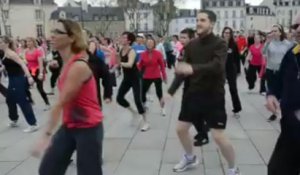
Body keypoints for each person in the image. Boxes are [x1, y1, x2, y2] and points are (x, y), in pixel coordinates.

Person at [167, 10, 240, 175]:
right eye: (197, 20)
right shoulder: (192, 45)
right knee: (180, 129)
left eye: (203, 20)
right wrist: (170, 91)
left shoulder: (220, 43)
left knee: (218, 136)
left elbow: (217, 66)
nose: (198, 23)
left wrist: (192, 68)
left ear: (212, 23)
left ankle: (233, 168)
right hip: (193, 95)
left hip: (213, 96)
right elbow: (182, 69)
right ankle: (190, 158)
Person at [32, 19, 104, 175]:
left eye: (58, 32)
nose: (52, 36)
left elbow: (60, 103)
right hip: (70, 125)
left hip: (88, 128)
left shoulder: (78, 66)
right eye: (52, 31)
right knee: (48, 170)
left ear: (72, 37)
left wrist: (46, 136)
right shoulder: (66, 62)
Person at [266, 15, 300, 175]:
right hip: (290, 129)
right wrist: (271, 94)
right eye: (295, 25)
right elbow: (280, 79)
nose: (298, 30)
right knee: (276, 170)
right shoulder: (293, 52)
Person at [0, 36, 38, 133]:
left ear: (6, 43)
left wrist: (29, 77)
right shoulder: (5, 53)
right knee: (10, 99)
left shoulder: (11, 54)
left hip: (18, 79)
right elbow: (7, 65)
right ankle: (14, 119)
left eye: (0, 42)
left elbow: (22, 64)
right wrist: (2, 68)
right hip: (12, 79)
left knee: (22, 100)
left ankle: (33, 124)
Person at [179, 28, 210, 147]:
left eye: (184, 38)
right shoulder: (185, 50)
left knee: (192, 112)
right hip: (189, 85)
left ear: (191, 39)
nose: (181, 40)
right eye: (180, 37)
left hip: (196, 86)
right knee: (194, 112)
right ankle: (203, 130)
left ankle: (204, 134)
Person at [117, 31, 148, 132]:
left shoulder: (132, 51)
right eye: (121, 37)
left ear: (129, 41)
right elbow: (118, 62)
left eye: (124, 37)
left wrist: (119, 63)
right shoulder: (121, 50)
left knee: (137, 100)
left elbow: (130, 64)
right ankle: (134, 113)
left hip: (136, 78)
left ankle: (146, 122)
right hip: (126, 78)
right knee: (119, 98)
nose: (121, 38)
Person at [263, 24, 294, 122]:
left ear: (280, 32)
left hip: (283, 72)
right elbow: (263, 53)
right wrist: (267, 42)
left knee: (283, 93)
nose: (273, 33)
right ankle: (274, 113)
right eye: (272, 31)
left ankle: (283, 112)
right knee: (272, 93)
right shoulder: (269, 43)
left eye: (275, 31)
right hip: (270, 71)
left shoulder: (288, 44)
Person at [138, 37, 167, 116]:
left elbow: (162, 66)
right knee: (142, 93)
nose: (149, 44)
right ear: (146, 44)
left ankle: (163, 108)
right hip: (146, 76)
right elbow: (140, 65)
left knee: (159, 93)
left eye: (151, 43)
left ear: (154, 44)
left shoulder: (158, 53)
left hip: (156, 75)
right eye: (148, 43)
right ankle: (144, 104)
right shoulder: (143, 54)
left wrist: (164, 77)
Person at [222, 27, 242, 117]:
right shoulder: (219, 44)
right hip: (221, 70)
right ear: (223, 33)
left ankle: (237, 109)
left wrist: (238, 70)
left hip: (231, 69)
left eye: (229, 33)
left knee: (233, 89)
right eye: (225, 33)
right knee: (218, 90)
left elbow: (237, 58)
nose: (227, 34)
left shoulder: (233, 45)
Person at [25, 37, 50, 110]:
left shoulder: (38, 51)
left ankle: (47, 103)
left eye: (29, 41)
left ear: (33, 42)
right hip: (30, 71)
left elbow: (40, 64)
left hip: (37, 71)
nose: (28, 43)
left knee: (40, 89)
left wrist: (41, 73)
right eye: (27, 42)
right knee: (25, 87)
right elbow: (27, 62)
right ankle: (31, 101)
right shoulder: (26, 51)